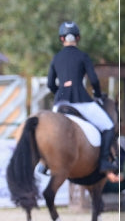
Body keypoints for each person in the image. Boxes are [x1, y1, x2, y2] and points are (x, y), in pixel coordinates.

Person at [47, 21, 119, 180]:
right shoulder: (83, 56)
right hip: (81, 100)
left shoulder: (56, 58)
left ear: (61, 39)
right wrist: (98, 94)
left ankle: (42, 163)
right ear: (78, 38)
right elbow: (93, 80)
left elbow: (50, 84)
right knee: (108, 126)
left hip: (60, 102)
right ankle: (103, 163)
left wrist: (59, 92)